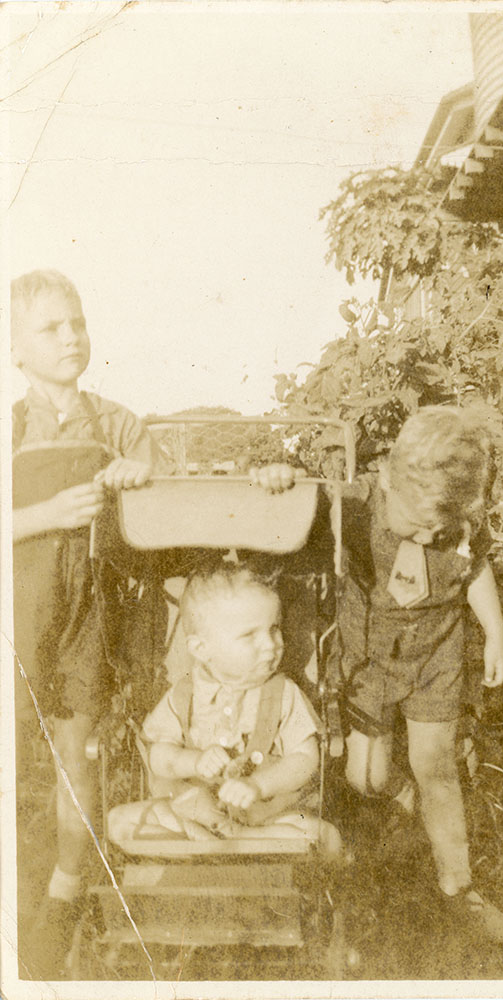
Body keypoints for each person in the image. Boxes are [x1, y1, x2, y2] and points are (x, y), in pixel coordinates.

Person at [256, 406, 503, 942]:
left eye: (440, 528)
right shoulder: (351, 505)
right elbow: (290, 502)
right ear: (388, 479)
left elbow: (476, 570)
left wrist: (494, 633)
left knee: (435, 763)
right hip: (368, 663)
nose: (428, 536)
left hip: (436, 658)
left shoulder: (453, 519)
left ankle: (457, 885)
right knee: (365, 777)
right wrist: (276, 478)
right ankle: (413, 804)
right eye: (419, 524)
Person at [11, 269, 175, 978]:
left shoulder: (118, 424)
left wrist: (140, 478)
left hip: (86, 616)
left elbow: (169, 506)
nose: (71, 337)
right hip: (15, 608)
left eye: (76, 322)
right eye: (50, 328)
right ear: (14, 347)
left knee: (76, 758)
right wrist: (43, 516)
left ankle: (66, 889)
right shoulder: (9, 426)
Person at [108, 566, 341, 855]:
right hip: (197, 811)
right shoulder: (183, 695)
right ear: (202, 649)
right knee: (118, 822)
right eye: (249, 636)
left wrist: (258, 785)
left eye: (274, 629)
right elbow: (159, 756)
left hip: (266, 815)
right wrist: (193, 762)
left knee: (321, 835)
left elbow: (305, 759)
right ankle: (223, 842)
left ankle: (221, 844)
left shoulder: (282, 693)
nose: (271, 645)